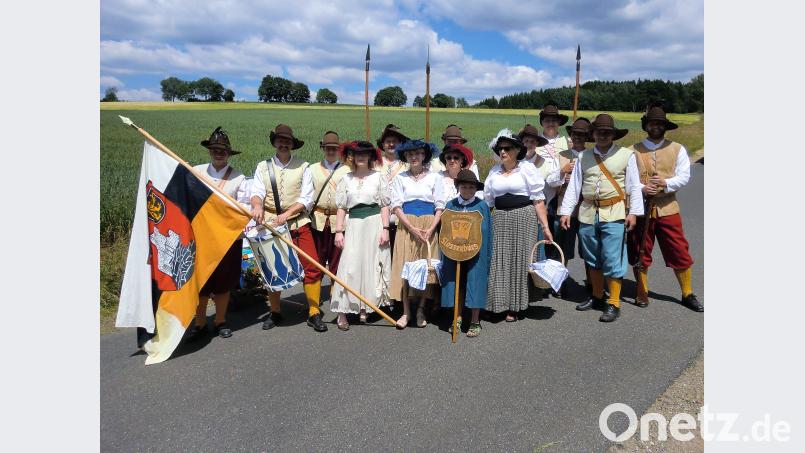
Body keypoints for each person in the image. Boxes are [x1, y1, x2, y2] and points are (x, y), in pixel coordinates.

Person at [559, 114, 644, 322]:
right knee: (592, 257)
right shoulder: (583, 157)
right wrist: (566, 211)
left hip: (614, 212)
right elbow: (575, 186)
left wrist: (633, 212)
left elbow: (634, 186)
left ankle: (614, 302)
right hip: (588, 213)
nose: (603, 136)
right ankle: (597, 296)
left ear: (613, 135)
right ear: (593, 134)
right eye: (599, 132)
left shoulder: (626, 155)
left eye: (607, 132)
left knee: (613, 258)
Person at [250, 124, 327, 333]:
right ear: (274, 142)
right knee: (272, 268)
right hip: (270, 225)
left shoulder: (304, 167)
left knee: (311, 265)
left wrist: (286, 215)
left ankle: (313, 312)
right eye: (280, 140)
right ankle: (275, 311)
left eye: (288, 141)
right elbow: (256, 191)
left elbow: (306, 198)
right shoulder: (262, 167)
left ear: (293, 145)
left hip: (297, 223)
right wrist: (257, 206)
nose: (284, 144)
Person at [627, 104, 703, 312]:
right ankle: (642, 290)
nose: (656, 126)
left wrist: (665, 184)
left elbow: (684, 176)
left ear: (665, 126)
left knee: (679, 250)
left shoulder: (677, 148)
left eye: (660, 123)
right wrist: (643, 189)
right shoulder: (632, 151)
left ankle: (687, 293)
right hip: (642, 209)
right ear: (646, 125)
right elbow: (629, 180)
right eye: (652, 123)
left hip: (668, 207)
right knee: (639, 250)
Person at [187, 127, 250, 339]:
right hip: (201, 238)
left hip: (227, 238)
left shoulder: (240, 178)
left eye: (222, 150)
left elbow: (244, 208)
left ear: (229, 153)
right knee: (201, 282)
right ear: (209, 151)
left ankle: (220, 320)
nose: (218, 153)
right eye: (215, 149)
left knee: (224, 282)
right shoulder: (195, 172)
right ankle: (199, 323)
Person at [484, 129, 553, 321]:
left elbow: (538, 200)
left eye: (507, 148)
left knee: (519, 261)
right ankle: (498, 303)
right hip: (499, 219)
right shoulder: (494, 171)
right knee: (499, 260)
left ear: (517, 150)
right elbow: (488, 201)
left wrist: (545, 227)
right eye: (500, 149)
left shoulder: (527, 169)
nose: (502, 152)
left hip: (523, 219)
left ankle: (515, 306)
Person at [331, 141, 392, 330]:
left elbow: (384, 205)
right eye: (357, 154)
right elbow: (341, 207)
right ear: (352, 157)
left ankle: (364, 307)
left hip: (374, 224)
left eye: (365, 154)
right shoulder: (346, 179)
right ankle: (342, 311)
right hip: (354, 225)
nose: (361, 157)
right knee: (349, 265)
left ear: (371, 157)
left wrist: (385, 229)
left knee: (371, 264)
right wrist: (339, 232)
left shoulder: (379, 177)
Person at [389, 139, 446, 329]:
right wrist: (412, 228)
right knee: (406, 267)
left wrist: (431, 229)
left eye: (418, 153)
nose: (414, 157)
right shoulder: (400, 178)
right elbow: (396, 206)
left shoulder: (435, 178)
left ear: (424, 156)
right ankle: (406, 312)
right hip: (407, 226)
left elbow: (440, 206)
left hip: (429, 225)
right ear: (405, 157)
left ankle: (421, 309)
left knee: (426, 268)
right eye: (410, 154)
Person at [439, 170, 492, 337]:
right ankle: (458, 317)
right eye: (464, 187)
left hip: (476, 251)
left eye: (471, 187)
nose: (467, 190)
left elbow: (486, 230)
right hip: (453, 251)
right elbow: (445, 229)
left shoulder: (481, 205)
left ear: (476, 189)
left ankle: (475, 320)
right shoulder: (450, 205)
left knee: (475, 282)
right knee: (457, 283)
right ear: (458, 187)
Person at [553, 117, 593, 296]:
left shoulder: (592, 156)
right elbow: (551, 181)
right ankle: (560, 282)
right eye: (575, 134)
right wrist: (563, 176)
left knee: (588, 249)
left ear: (586, 137)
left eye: (581, 135)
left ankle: (593, 283)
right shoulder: (562, 156)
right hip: (565, 208)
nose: (577, 137)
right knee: (564, 248)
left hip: (586, 209)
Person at [309, 131, 350, 288]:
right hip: (317, 220)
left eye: (334, 148)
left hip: (338, 221)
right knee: (316, 260)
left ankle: (336, 295)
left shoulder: (347, 170)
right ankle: (314, 298)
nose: (331, 151)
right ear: (323, 149)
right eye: (328, 148)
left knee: (337, 260)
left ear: (339, 150)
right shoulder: (312, 169)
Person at [377, 124, 410, 253]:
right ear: (383, 144)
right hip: (378, 219)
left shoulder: (407, 165)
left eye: (395, 142)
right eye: (388, 142)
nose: (391, 144)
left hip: (400, 219)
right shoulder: (374, 164)